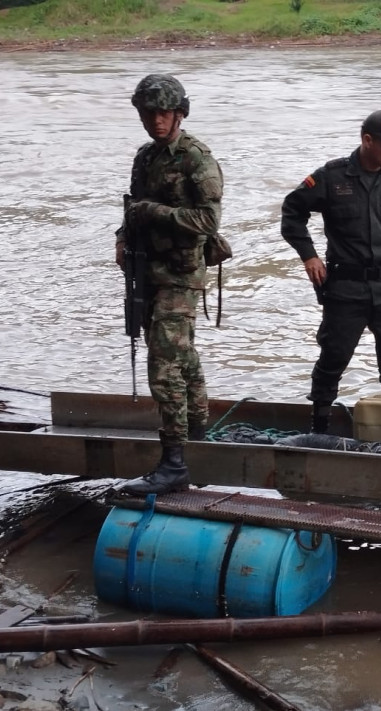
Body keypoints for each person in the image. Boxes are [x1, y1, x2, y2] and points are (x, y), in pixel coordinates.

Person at [281, 110, 381, 434]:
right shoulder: (331, 177)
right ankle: (319, 428)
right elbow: (292, 212)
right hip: (345, 291)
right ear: (367, 140)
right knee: (333, 360)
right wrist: (309, 256)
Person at [114, 73, 224, 495]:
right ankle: (197, 429)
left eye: (163, 112)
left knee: (163, 362)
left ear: (179, 113)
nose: (156, 121)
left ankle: (174, 460)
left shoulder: (197, 159)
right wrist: (122, 239)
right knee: (181, 354)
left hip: (181, 273)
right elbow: (131, 208)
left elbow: (209, 221)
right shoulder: (145, 157)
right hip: (148, 271)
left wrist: (155, 213)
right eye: (149, 113)